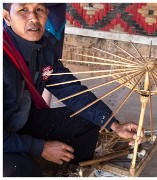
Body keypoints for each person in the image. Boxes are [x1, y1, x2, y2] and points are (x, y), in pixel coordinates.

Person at [3, 3, 143, 177]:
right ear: (7, 17)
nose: (33, 18)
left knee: (87, 120)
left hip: (20, 123)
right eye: (23, 10)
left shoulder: (43, 49)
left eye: (39, 10)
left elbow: (73, 91)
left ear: (47, 14)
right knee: (21, 170)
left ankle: (71, 172)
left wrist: (114, 125)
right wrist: (40, 147)